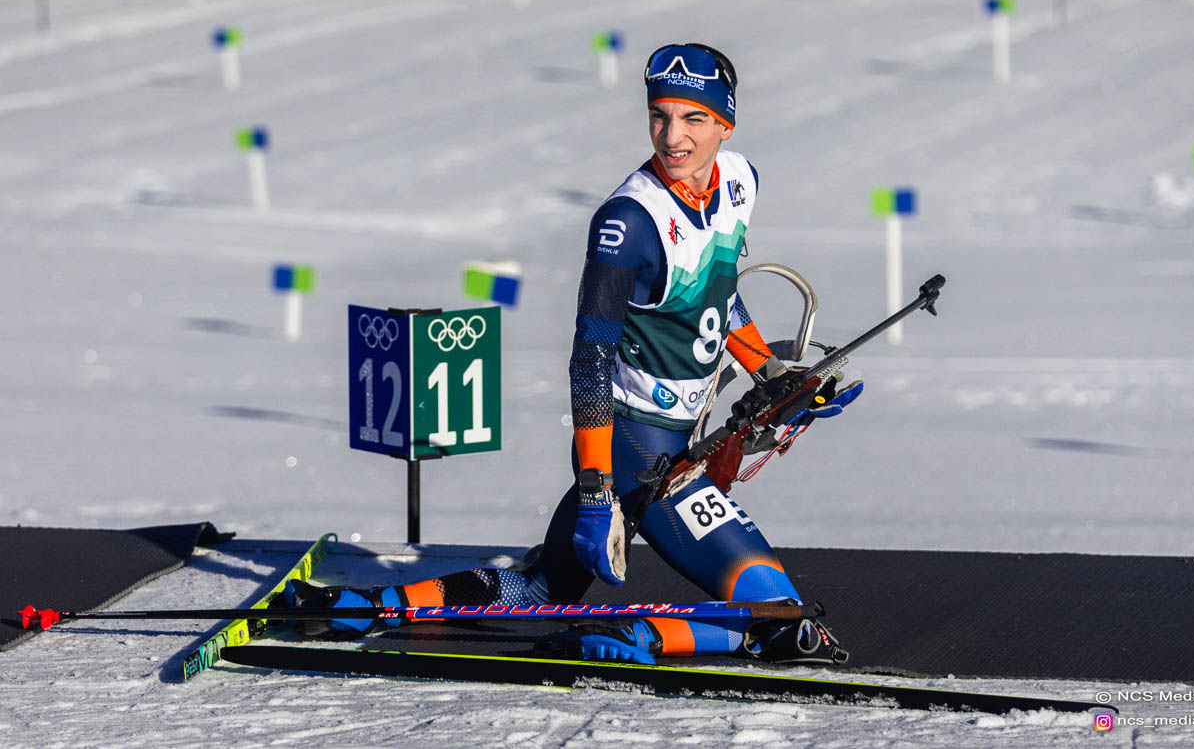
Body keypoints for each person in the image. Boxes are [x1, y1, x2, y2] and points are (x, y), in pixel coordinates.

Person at [286, 43, 847, 666]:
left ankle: (368, 605)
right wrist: (596, 487)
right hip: (634, 450)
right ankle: (643, 636)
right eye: (659, 116)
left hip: (678, 437)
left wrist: (772, 374)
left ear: (726, 124)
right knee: (780, 612)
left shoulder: (740, 181)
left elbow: (717, 292)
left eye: (693, 118)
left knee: (540, 588)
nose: (672, 137)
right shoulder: (629, 221)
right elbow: (589, 363)